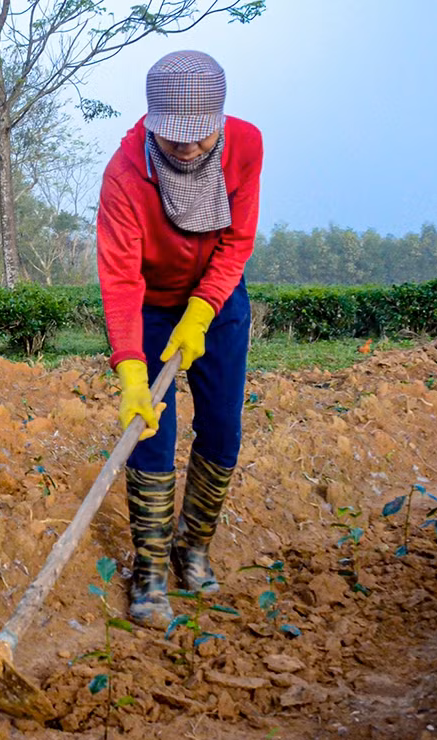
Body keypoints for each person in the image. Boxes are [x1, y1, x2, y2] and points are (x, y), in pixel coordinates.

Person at [96, 50, 263, 629]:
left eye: (199, 137)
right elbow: (119, 278)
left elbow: (237, 241)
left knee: (220, 425)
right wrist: (131, 372)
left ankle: (193, 548)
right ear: (152, 124)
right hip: (150, 307)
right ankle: (149, 569)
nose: (188, 149)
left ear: (219, 118)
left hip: (216, 302)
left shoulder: (245, 146)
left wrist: (203, 311)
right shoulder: (124, 174)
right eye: (173, 139)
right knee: (152, 434)